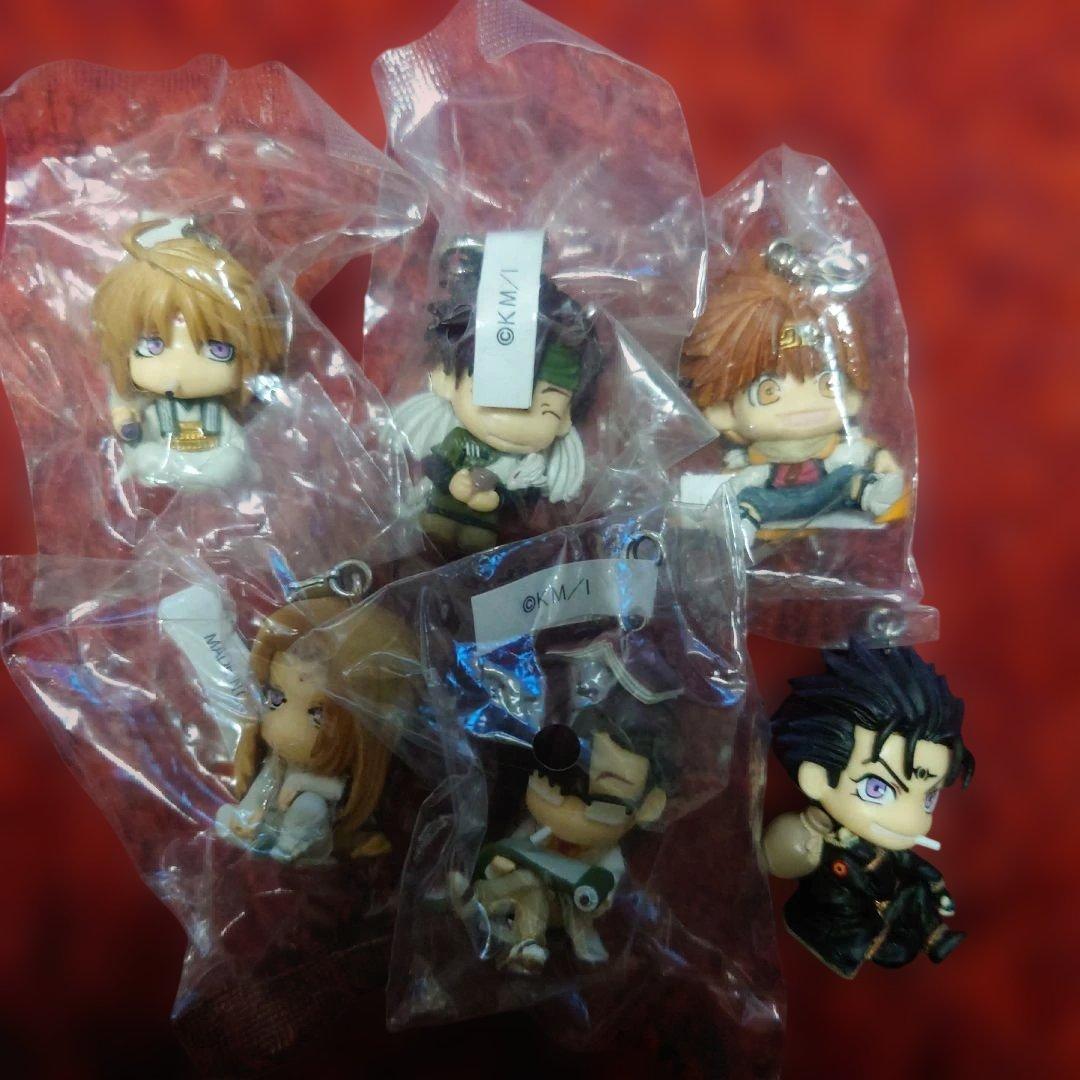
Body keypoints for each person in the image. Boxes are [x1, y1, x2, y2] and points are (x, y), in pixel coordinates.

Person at [764, 638, 974, 977]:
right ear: (817, 777)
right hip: (843, 923)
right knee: (892, 943)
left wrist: (934, 886)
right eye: (877, 788)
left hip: (883, 904)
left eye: (929, 797)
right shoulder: (827, 842)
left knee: (914, 900)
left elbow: (911, 865)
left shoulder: (885, 845)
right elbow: (786, 862)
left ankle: (936, 938)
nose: (914, 820)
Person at [92, 218, 282, 488]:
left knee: (229, 463)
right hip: (163, 457)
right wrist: (127, 423)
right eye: (153, 346)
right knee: (146, 457)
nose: (180, 370)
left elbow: (237, 445)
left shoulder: (219, 413)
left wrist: (243, 464)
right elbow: (130, 426)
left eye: (217, 350)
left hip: (212, 460)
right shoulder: (153, 410)